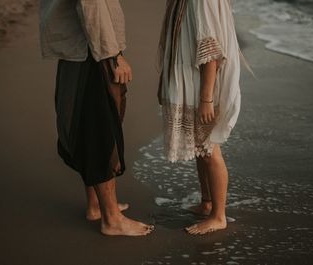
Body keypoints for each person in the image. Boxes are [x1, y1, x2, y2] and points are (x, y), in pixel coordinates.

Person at [40, 0, 154, 236]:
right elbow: (90, 5)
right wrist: (113, 55)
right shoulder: (100, 51)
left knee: (86, 127)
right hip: (91, 52)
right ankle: (111, 219)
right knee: (99, 130)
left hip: (80, 49)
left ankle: (96, 206)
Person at [158, 0, 241, 235]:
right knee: (200, 148)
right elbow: (174, 41)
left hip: (202, 85)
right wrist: (163, 82)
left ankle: (218, 216)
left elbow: (211, 50)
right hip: (191, 80)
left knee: (209, 148)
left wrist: (206, 99)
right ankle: (207, 203)